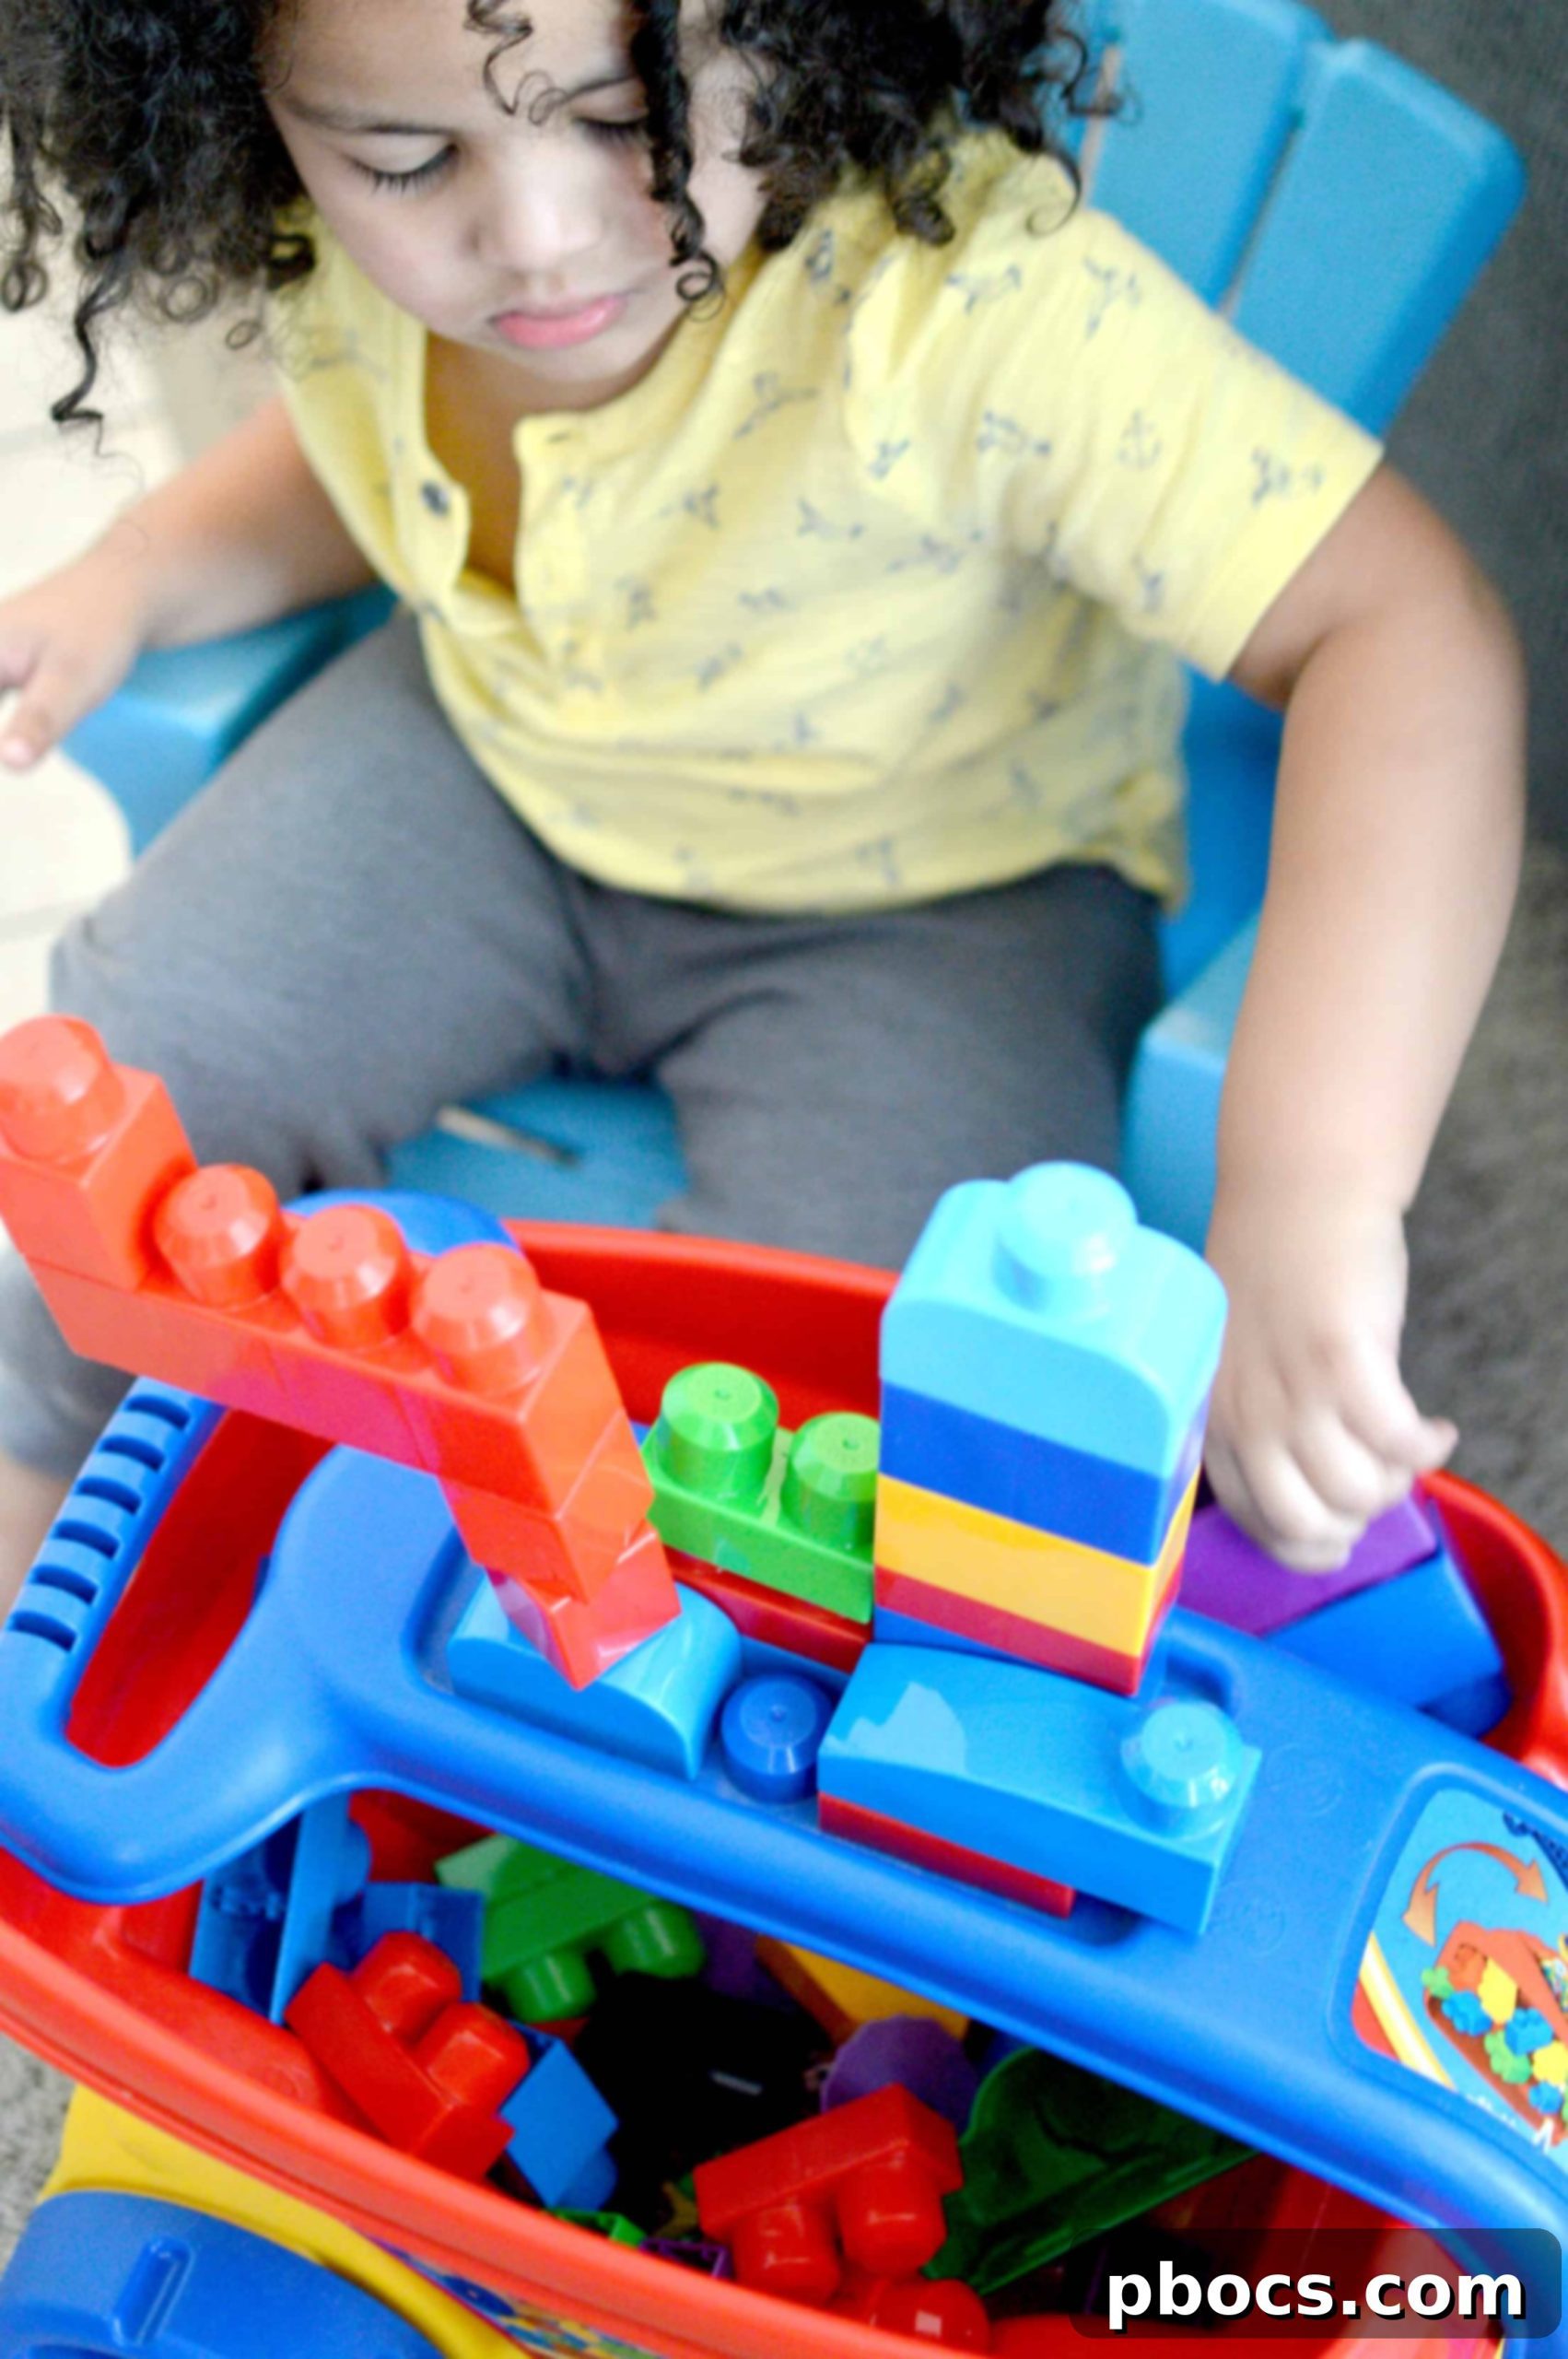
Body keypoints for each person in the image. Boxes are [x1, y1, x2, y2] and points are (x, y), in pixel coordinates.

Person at [0, 0, 1526, 1612]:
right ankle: (54, 1460)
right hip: (497, 763)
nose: (531, 235)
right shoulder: (345, 248)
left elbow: (1407, 637)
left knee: (869, 1371)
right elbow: (348, 439)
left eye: (623, 119)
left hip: (932, 896)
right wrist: (138, 574)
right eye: (402, 157)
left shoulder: (967, 311)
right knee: (133, 1072)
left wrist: (1306, 1187)